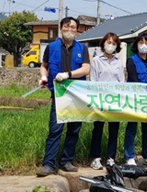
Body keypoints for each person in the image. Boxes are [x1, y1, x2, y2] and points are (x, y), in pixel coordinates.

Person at [36, 17, 91, 176]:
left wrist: (68, 74)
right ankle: (48, 164)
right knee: (55, 129)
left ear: (77, 30)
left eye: (74, 27)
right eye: (67, 27)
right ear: (61, 29)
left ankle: (66, 160)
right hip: (59, 94)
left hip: (77, 95)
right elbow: (44, 66)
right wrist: (44, 77)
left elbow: (86, 68)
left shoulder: (82, 48)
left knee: (74, 130)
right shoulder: (51, 47)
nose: (71, 30)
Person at [88, 32, 124, 170]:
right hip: (100, 100)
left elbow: (122, 81)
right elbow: (93, 80)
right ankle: (96, 158)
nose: (111, 45)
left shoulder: (119, 62)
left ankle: (111, 158)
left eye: (114, 44)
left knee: (114, 130)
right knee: (98, 129)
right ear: (103, 43)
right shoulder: (96, 61)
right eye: (109, 42)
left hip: (115, 101)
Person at [124, 32, 147, 168]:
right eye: (141, 42)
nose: (144, 45)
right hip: (134, 99)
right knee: (132, 128)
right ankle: (129, 156)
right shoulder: (131, 60)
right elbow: (133, 78)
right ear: (136, 44)